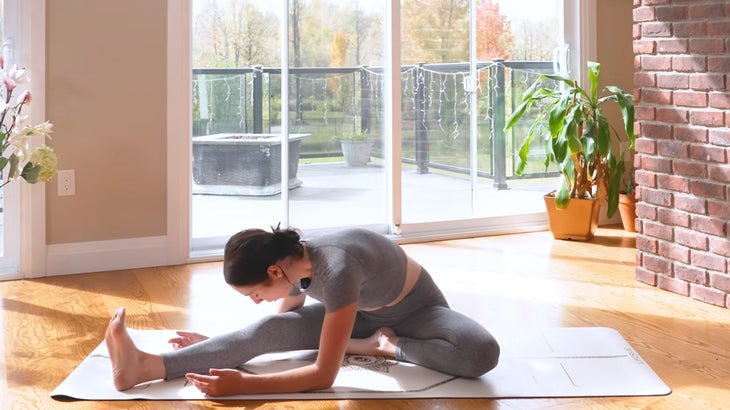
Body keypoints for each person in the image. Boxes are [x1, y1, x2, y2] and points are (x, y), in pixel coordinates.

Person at [105, 226, 500, 397]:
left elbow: (322, 375)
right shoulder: (294, 265)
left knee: (481, 351)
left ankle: (389, 347)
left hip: (417, 311)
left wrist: (245, 385)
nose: (255, 300)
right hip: (361, 315)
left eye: (254, 293)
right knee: (266, 332)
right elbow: (273, 329)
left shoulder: (337, 268)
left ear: (274, 271)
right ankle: (145, 366)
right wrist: (222, 347)